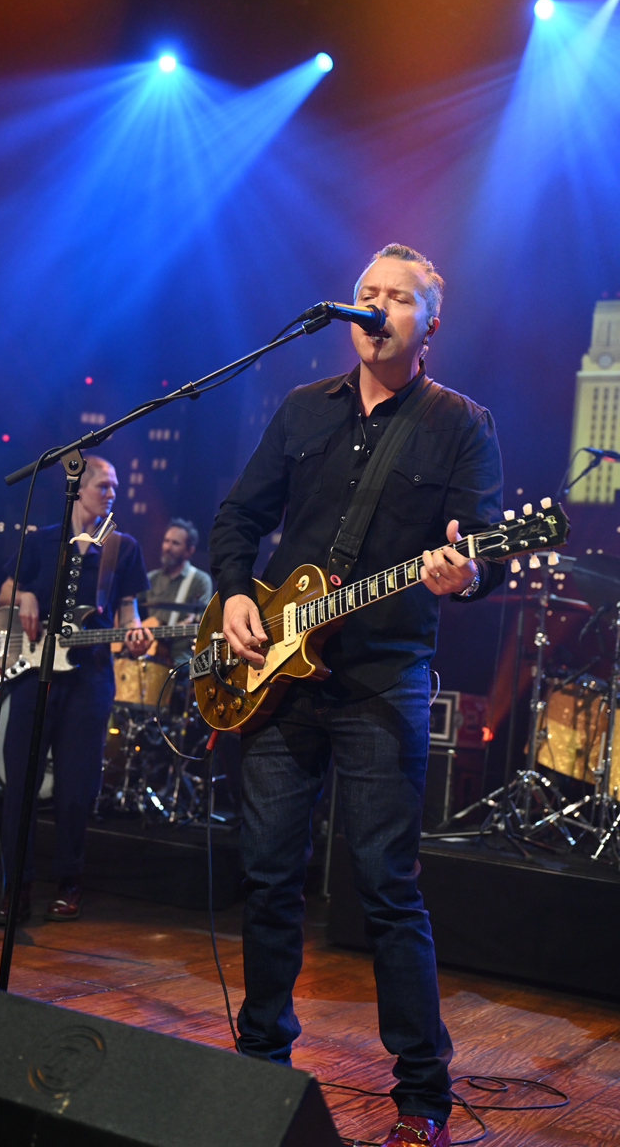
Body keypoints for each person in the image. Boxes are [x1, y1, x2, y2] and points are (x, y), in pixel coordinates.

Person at [208, 244, 504, 1147]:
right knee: (268, 876)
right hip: (279, 677)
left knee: (384, 885)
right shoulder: (304, 409)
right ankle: (261, 1068)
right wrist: (234, 594)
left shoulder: (461, 424)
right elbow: (239, 517)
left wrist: (467, 575)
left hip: (384, 676)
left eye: (397, 297)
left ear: (429, 323)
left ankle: (421, 1094)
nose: (375, 306)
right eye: (366, 293)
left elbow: (484, 550)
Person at [0, 455, 150, 925]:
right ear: (78, 488)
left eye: (115, 487)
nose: (112, 494)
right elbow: (5, 591)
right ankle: (15, 888)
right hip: (32, 675)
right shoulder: (41, 539)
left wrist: (136, 632)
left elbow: (128, 611)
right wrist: (25, 595)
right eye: (104, 486)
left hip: (90, 677)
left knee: (77, 788)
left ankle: (69, 882)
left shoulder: (122, 548)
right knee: (20, 784)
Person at [144, 518, 213, 667]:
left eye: (175, 543)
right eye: (166, 541)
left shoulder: (199, 580)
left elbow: (201, 623)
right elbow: (128, 608)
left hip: (180, 660)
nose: (168, 547)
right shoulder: (151, 578)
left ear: (190, 550)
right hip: (148, 655)